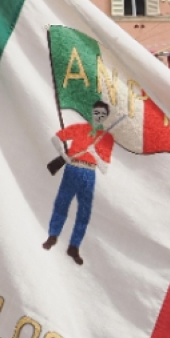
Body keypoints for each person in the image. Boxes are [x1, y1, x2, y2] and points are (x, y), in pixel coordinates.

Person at [44, 100, 116, 265]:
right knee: (61, 203)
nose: (99, 117)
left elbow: (104, 168)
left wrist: (95, 154)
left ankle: (74, 246)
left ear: (106, 118)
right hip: (72, 168)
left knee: (84, 211)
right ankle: (53, 236)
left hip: (89, 172)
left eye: (102, 115)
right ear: (92, 113)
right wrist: (64, 154)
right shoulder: (79, 128)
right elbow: (56, 138)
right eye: (97, 113)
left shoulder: (106, 138)